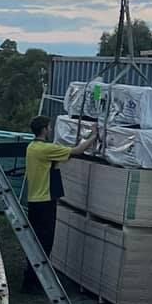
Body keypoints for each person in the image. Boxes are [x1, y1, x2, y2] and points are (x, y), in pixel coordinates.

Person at [22, 115, 95, 286]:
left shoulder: (32, 147)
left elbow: (63, 157)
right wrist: (94, 136)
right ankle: (34, 281)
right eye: (49, 127)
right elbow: (77, 151)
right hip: (45, 201)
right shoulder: (46, 149)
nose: (51, 129)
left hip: (34, 200)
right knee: (45, 242)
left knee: (35, 240)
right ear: (44, 129)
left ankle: (31, 278)